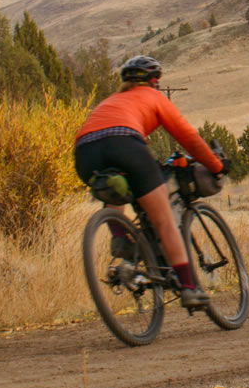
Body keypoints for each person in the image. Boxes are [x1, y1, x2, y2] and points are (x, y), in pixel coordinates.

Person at [73, 55, 226, 309]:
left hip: (84, 152)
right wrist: (217, 166)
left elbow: (109, 135)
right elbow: (188, 137)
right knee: (163, 218)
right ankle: (188, 288)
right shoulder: (154, 97)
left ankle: (120, 236)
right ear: (154, 82)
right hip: (125, 143)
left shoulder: (110, 102)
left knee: (118, 188)